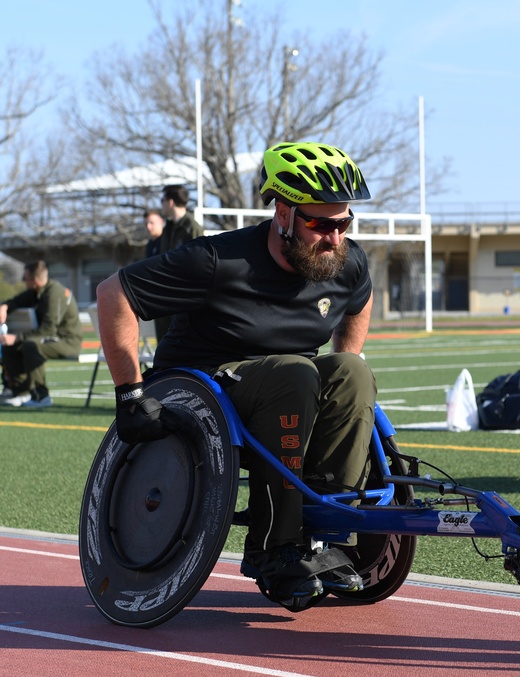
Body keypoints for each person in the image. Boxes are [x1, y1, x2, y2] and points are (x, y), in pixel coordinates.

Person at [95, 142, 375, 605]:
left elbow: (359, 302)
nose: (335, 237)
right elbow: (113, 295)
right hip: (206, 382)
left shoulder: (345, 261)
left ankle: (328, 528)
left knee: (352, 373)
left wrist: (346, 356)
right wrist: (129, 393)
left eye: (344, 223)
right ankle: (274, 547)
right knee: (296, 374)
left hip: (290, 384)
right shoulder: (216, 261)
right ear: (282, 214)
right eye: (320, 224)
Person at [0, 260, 83, 408]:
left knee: (31, 345)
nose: (23, 281)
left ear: (35, 280)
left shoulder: (54, 293)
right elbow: (16, 301)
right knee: (9, 346)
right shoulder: (36, 292)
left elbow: (48, 330)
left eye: (25, 278)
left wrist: (17, 337)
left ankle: (41, 396)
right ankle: (21, 393)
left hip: (67, 341)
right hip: (51, 339)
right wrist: (5, 306)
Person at [155, 185, 205, 341]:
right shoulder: (168, 229)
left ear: (170, 202)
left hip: (184, 300)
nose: (161, 204)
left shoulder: (192, 228)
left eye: (162, 200)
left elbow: (200, 265)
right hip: (166, 298)